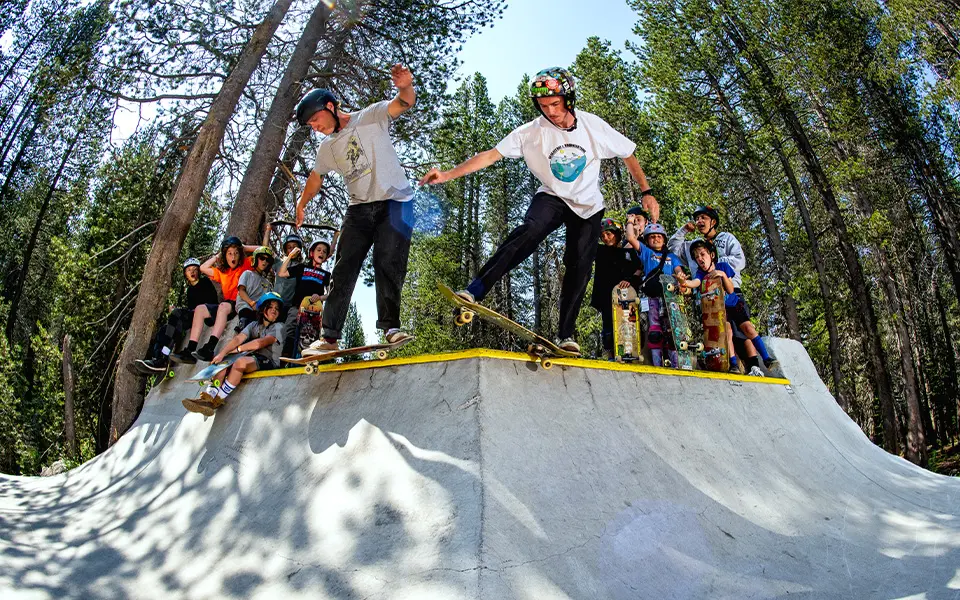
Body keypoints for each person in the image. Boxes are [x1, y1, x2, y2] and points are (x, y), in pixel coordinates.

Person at [419, 67, 660, 354]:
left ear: (568, 99)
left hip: (589, 206)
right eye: (544, 106)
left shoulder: (592, 125)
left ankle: (565, 334)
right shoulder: (531, 132)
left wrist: (646, 192)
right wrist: (447, 174)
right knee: (529, 231)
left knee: (579, 266)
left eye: (555, 105)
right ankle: (475, 290)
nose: (551, 112)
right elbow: (490, 156)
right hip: (552, 196)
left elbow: (627, 153)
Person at [293, 64, 416, 351]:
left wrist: (405, 85)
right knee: (343, 268)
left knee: (388, 262)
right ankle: (329, 337)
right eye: (310, 125)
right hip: (359, 209)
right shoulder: (327, 148)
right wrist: (301, 204)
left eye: (316, 119)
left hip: (396, 203)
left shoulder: (371, 116)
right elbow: (315, 178)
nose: (316, 127)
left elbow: (403, 103)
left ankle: (390, 327)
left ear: (331, 106)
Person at [182, 292, 285, 416]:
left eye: (277, 309)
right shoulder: (254, 325)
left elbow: (260, 343)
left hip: (270, 361)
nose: (274, 311)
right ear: (263, 309)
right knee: (223, 361)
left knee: (239, 362)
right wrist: (222, 354)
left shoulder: (280, 326)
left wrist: (238, 350)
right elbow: (238, 339)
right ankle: (209, 396)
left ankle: (218, 399)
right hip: (253, 358)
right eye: (271, 307)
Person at [687, 239, 778, 375]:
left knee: (748, 328)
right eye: (696, 257)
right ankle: (733, 364)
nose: (700, 259)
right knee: (727, 331)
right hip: (720, 308)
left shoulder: (722, 266)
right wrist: (685, 283)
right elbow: (695, 282)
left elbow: (730, 290)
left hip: (734, 303)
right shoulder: (701, 274)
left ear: (711, 255)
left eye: (702, 254)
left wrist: (722, 275)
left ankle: (766, 358)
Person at [171, 236, 259, 364]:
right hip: (228, 303)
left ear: (240, 255)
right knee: (200, 309)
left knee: (223, 306)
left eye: (236, 253)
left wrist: (244, 247)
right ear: (225, 256)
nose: (233, 257)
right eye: (229, 254)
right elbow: (202, 268)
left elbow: (263, 250)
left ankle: (210, 347)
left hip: (241, 301)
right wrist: (218, 255)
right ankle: (190, 350)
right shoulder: (223, 272)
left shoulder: (246, 264)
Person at [131, 258, 218, 374]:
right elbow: (190, 309)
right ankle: (158, 358)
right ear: (185, 274)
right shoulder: (189, 291)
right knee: (165, 329)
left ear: (199, 271)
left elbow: (212, 302)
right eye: (189, 270)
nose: (192, 272)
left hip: (206, 314)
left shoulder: (205, 282)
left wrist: (180, 312)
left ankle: (162, 358)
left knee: (176, 314)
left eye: (194, 269)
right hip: (194, 316)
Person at [625, 223, 684, 367]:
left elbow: (678, 271)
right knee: (654, 333)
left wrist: (681, 277)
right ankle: (657, 364)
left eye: (659, 236)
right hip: (651, 299)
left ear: (664, 239)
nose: (656, 239)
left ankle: (676, 365)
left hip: (670, 299)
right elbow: (630, 238)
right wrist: (630, 222)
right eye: (652, 237)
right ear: (647, 240)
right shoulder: (646, 252)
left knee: (673, 333)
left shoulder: (672, 257)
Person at [590, 219, 637, 359]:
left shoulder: (628, 253)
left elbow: (638, 269)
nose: (605, 238)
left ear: (617, 234)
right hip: (606, 296)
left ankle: (628, 353)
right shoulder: (599, 250)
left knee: (627, 324)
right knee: (609, 326)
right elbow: (587, 240)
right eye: (603, 236)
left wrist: (629, 280)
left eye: (609, 234)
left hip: (626, 296)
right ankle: (610, 354)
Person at [278, 240, 332, 357]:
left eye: (324, 251)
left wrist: (320, 297)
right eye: (319, 250)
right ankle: (284, 360)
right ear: (312, 253)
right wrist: (290, 256)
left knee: (310, 337)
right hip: (296, 307)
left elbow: (330, 293)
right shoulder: (302, 268)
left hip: (314, 311)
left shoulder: (326, 274)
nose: (321, 253)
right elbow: (282, 273)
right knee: (289, 333)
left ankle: (306, 359)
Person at [234, 245, 275, 331]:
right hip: (245, 306)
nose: (264, 262)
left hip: (258, 311)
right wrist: (252, 303)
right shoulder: (247, 273)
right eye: (262, 258)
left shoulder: (268, 283)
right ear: (256, 259)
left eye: (267, 260)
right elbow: (241, 291)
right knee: (246, 320)